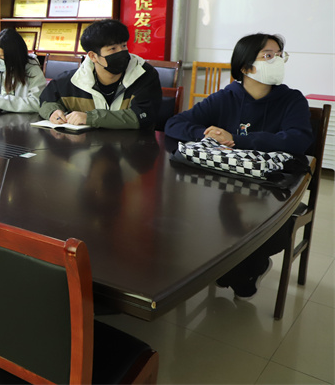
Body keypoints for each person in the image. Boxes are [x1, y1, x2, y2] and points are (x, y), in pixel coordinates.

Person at [165, 33, 312, 299]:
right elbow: (175, 124)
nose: (278, 60)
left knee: (266, 231)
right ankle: (235, 267)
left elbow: (298, 140)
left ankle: (248, 266)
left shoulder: (292, 99)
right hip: (228, 184)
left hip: (272, 186)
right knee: (199, 218)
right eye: (269, 55)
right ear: (245, 67)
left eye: (280, 55)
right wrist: (206, 133)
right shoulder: (226, 97)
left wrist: (236, 139)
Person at [38, 19, 162, 129]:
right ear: (93, 56)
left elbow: (142, 116)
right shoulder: (73, 80)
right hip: (86, 145)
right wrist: (53, 112)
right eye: (113, 49)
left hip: (135, 145)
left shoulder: (144, 75)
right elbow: (46, 102)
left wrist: (90, 118)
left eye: (124, 46)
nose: (122, 53)